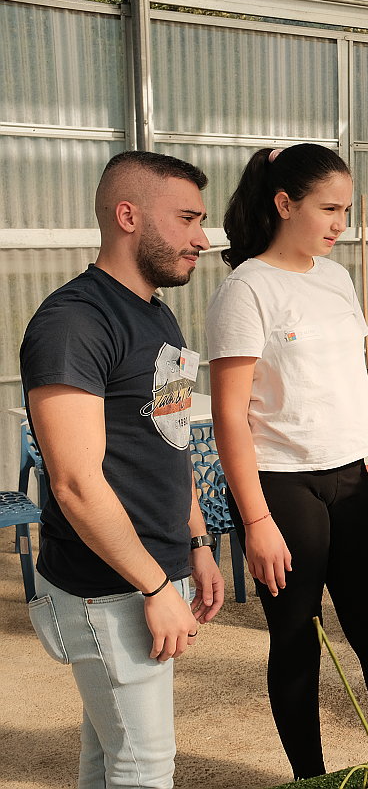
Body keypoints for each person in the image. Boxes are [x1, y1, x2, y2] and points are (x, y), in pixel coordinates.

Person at [206, 143, 368, 778]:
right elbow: (229, 416)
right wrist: (255, 522)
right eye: (329, 208)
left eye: (346, 209)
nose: (340, 223)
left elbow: (352, 374)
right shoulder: (245, 290)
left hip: (349, 477)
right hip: (283, 488)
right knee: (298, 638)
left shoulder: (335, 276)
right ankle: (312, 775)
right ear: (284, 204)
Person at [20, 150, 224, 789]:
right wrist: (154, 589)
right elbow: (76, 485)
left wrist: (196, 542)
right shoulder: (74, 322)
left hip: (153, 570)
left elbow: (171, 437)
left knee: (109, 756)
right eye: (187, 219)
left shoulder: (158, 314)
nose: (203, 238)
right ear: (128, 215)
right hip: (108, 587)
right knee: (144, 766)